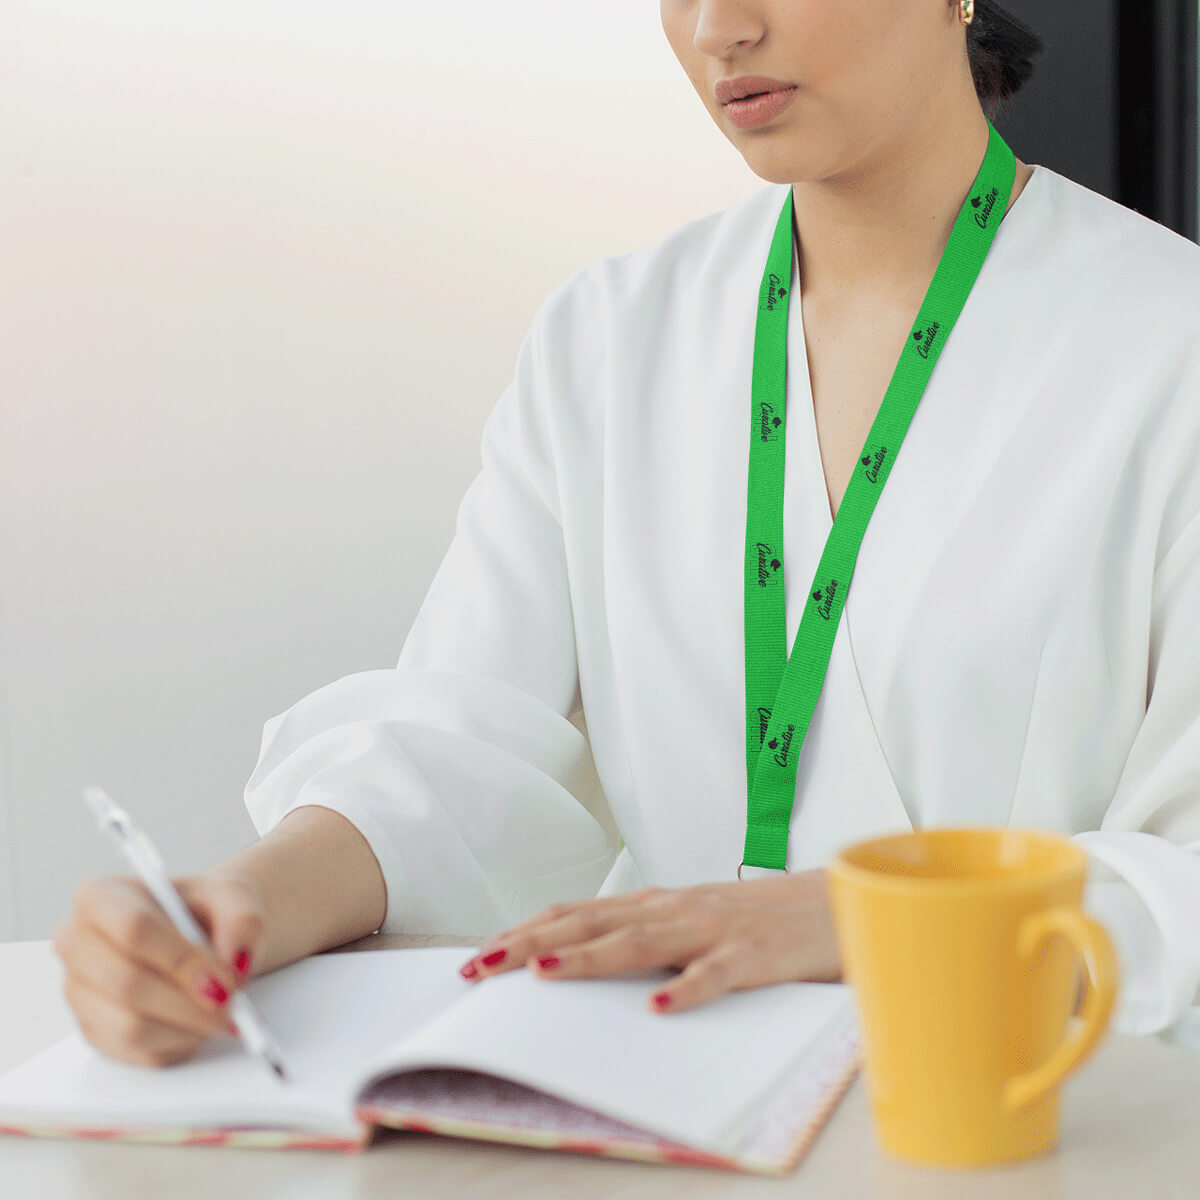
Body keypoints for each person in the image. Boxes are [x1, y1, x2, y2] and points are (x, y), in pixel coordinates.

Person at [54, 0, 1200, 1070]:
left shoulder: (1166, 342)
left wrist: (852, 918)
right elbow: (460, 744)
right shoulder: (611, 337)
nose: (719, 29)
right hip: (670, 1091)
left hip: (1025, 1110)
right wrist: (237, 908)